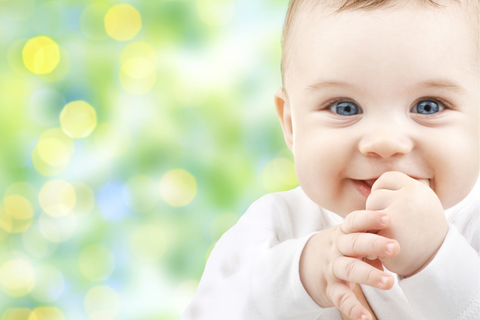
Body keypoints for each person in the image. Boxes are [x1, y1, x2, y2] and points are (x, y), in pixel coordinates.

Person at [183, 0, 480, 319]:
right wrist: (301, 275)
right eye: (345, 108)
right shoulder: (278, 226)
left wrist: (436, 258)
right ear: (291, 125)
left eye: (428, 106)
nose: (384, 143)